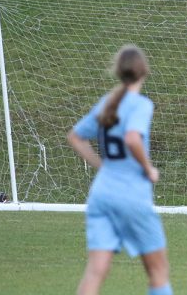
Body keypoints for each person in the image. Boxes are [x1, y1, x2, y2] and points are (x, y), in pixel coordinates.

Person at [67, 45, 172, 295]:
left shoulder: (107, 103)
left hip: (101, 195)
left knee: (96, 271)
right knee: (158, 272)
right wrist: (149, 169)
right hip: (131, 196)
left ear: (119, 72)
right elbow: (133, 138)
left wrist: (102, 165)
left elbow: (74, 137)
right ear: (144, 71)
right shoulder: (141, 105)